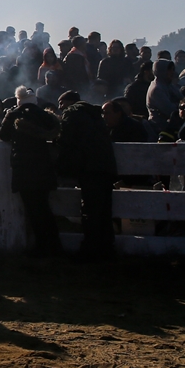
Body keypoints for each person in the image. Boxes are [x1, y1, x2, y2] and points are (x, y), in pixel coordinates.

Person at [0, 87, 62, 256]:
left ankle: (41, 246)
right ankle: (54, 245)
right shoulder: (45, 116)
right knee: (44, 208)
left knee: (33, 209)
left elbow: (3, 135)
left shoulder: (13, 115)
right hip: (44, 166)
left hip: (24, 167)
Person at [57, 92, 117, 262]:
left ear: (69, 103)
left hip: (90, 168)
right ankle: (107, 248)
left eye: (61, 104)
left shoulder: (72, 114)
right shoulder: (94, 116)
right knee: (104, 210)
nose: (60, 108)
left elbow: (65, 139)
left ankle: (90, 250)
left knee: (91, 210)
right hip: (106, 166)